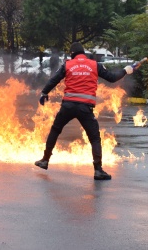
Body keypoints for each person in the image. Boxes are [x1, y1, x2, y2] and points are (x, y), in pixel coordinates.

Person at [34, 42, 137, 180]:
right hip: (85, 108)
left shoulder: (68, 64)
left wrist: (44, 93)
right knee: (94, 138)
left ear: (72, 54)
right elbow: (112, 78)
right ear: (84, 53)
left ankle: (45, 160)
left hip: (68, 106)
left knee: (55, 130)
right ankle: (98, 170)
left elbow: (54, 80)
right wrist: (127, 70)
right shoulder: (94, 65)